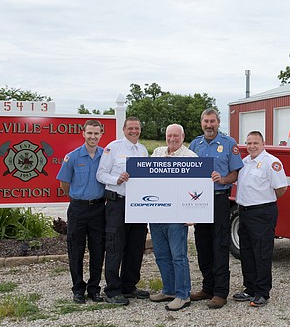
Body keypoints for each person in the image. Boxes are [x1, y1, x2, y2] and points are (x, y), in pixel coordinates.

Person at [188, 108, 244, 309]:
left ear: (218, 123)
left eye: (212, 121)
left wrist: (222, 179)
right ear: (201, 123)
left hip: (219, 199)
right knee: (202, 245)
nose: (209, 125)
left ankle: (220, 292)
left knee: (219, 245)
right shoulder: (195, 144)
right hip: (199, 201)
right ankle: (207, 288)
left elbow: (235, 174)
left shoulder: (229, 144)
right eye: (206, 121)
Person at [96, 116, 150, 305]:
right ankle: (112, 290)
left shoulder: (143, 150)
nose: (134, 131)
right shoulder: (113, 147)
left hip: (138, 205)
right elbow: (100, 174)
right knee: (115, 246)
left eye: (137, 128)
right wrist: (116, 179)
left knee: (136, 246)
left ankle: (129, 286)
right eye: (130, 128)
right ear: (124, 129)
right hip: (117, 204)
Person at [232, 131, 288, 307]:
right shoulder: (245, 162)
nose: (251, 146)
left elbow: (281, 188)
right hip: (245, 212)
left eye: (255, 143)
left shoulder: (271, 162)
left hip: (262, 213)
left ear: (263, 144)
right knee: (246, 252)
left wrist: (265, 201)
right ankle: (250, 289)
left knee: (262, 253)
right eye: (248, 143)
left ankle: (262, 292)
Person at [56, 119, 107, 304]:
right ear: (83, 133)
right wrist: (78, 197)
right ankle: (78, 288)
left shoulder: (105, 155)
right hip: (78, 208)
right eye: (90, 133)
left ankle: (94, 289)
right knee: (75, 250)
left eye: (96, 133)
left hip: (99, 209)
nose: (93, 136)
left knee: (97, 249)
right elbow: (64, 184)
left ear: (101, 134)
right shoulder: (73, 157)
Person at [149, 123, 196, 311]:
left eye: (176, 136)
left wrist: (193, 214)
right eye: (169, 135)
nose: (172, 139)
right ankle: (168, 289)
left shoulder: (191, 157)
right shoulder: (158, 153)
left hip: (177, 216)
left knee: (178, 256)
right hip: (157, 213)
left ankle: (183, 294)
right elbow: (147, 179)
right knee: (161, 255)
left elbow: (196, 186)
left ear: (183, 137)